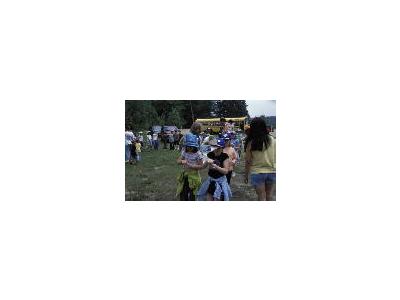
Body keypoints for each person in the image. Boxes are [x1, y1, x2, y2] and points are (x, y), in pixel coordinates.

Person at [244, 117, 276, 201]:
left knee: (261, 197)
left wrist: (246, 175)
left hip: (257, 172)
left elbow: (248, 161)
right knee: (269, 196)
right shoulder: (273, 140)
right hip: (272, 171)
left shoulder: (251, 142)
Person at [176, 134, 204, 201]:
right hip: (185, 175)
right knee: (183, 192)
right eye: (188, 146)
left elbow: (201, 166)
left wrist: (190, 165)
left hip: (194, 177)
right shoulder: (184, 152)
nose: (189, 148)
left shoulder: (198, 154)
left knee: (193, 194)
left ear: (194, 146)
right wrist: (182, 161)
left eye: (191, 146)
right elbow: (178, 161)